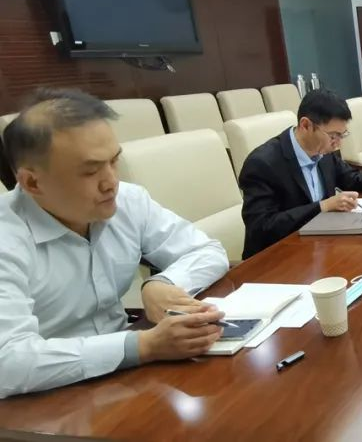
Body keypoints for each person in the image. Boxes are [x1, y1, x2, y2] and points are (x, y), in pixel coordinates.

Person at [0, 88, 229, 399]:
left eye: (114, 161)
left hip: (126, 380)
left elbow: (207, 250)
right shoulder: (7, 238)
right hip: (41, 398)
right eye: (90, 171)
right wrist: (143, 346)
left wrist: (161, 284)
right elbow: (9, 362)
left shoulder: (128, 201)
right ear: (32, 182)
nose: (111, 182)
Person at [238, 89, 362, 259]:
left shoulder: (322, 150)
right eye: (333, 135)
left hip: (320, 246)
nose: (338, 143)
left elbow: (350, 177)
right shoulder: (262, 164)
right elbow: (261, 227)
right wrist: (322, 207)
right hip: (277, 258)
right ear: (306, 125)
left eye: (342, 135)